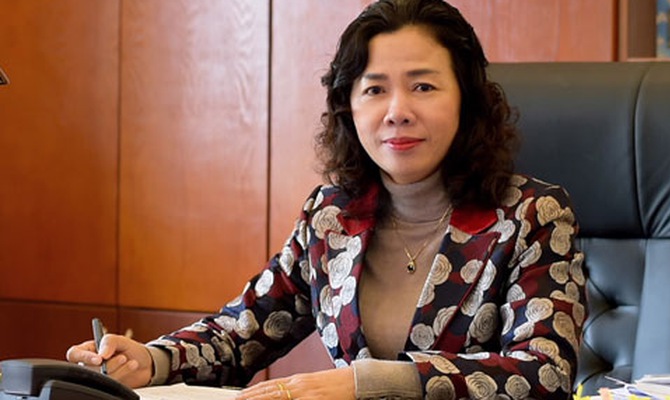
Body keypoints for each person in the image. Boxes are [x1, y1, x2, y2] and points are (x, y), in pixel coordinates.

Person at [66, 0, 587, 399]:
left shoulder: (530, 216)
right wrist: (152, 360)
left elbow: (543, 374)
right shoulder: (333, 216)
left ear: (468, 102)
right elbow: (240, 333)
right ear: (349, 108)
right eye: (374, 89)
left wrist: (364, 384)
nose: (397, 111)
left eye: (424, 87)